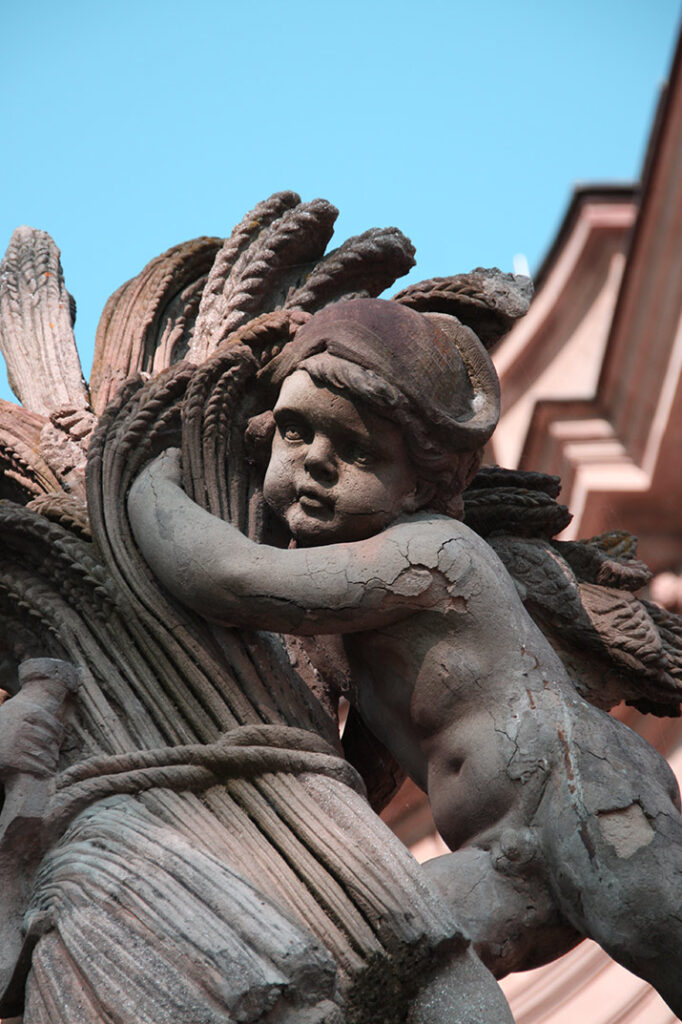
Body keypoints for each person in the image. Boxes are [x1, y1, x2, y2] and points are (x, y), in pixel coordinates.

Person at [128, 297, 682, 1018]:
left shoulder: (432, 557)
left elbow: (229, 578)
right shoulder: (338, 629)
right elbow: (369, 761)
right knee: (388, 966)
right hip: (498, 856)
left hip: (583, 799)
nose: (317, 464)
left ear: (420, 486)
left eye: (356, 451)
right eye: (296, 434)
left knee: (665, 937)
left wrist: (145, 485)